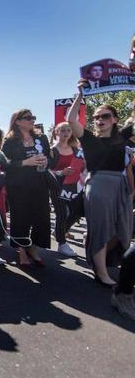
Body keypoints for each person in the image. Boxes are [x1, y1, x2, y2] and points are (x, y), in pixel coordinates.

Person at [66, 79, 134, 289]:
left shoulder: (121, 136)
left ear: (114, 119)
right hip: (98, 186)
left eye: (105, 116)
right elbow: (71, 119)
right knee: (102, 229)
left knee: (123, 229)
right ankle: (102, 273)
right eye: (96, 117)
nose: (99, 120)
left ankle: (94, 247)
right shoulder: (88, 139)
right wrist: (80, 95)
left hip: (120, 186)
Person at [2, 109, 51, 268]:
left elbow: (50, 157)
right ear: (17, 121)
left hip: (40, 182)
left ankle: (33, 247)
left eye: (33, 117)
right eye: (28, 118)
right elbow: (4, 163)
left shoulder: (41, 138)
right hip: (19, 186)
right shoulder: (10, 141)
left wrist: (45, 161)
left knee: (41, 218)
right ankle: (21, 250)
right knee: (20, 218)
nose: (32, 120)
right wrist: (25, 163)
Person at [48, 122, 85, 257]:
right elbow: (47, 170)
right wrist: (61, 172)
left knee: (77, 212)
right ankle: (62, 244)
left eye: (69, 130)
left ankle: (59, 231)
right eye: (62, 130)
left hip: (73, 185)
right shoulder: (52, 150)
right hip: (56, 184)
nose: (66, 133)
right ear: (56, 132)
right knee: (62, 213)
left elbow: (81, 166)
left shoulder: (76, 149)